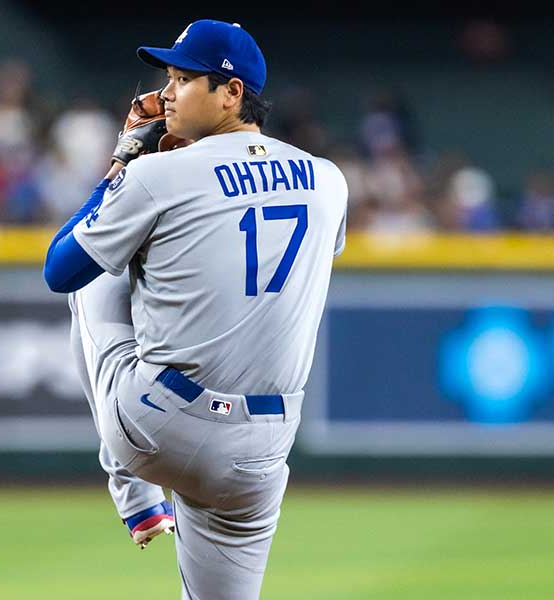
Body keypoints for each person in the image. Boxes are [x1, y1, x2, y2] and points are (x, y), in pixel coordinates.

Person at [43, 19, 348, 599]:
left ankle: (134, 495)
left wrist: (123, 160)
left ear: (232, 93)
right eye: (169, 78)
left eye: (185, 79)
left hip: (159, 426)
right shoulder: (330, 181)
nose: (165, 95)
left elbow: (61, 270)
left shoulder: (156, 173)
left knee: (99, 269)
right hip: (264, 446)